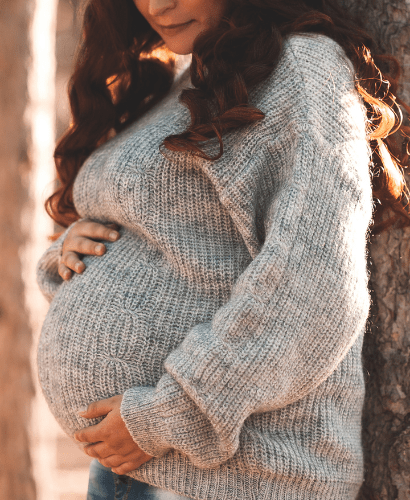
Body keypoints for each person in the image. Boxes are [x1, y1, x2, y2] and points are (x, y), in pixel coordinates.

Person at [36, 0, 410, 498]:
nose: (157, 6)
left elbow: (315, 283)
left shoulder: (301, 67)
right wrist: (67, 253)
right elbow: (172, 236)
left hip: (237, 475)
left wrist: (169, 416)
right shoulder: (186, 75)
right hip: (140, 461)